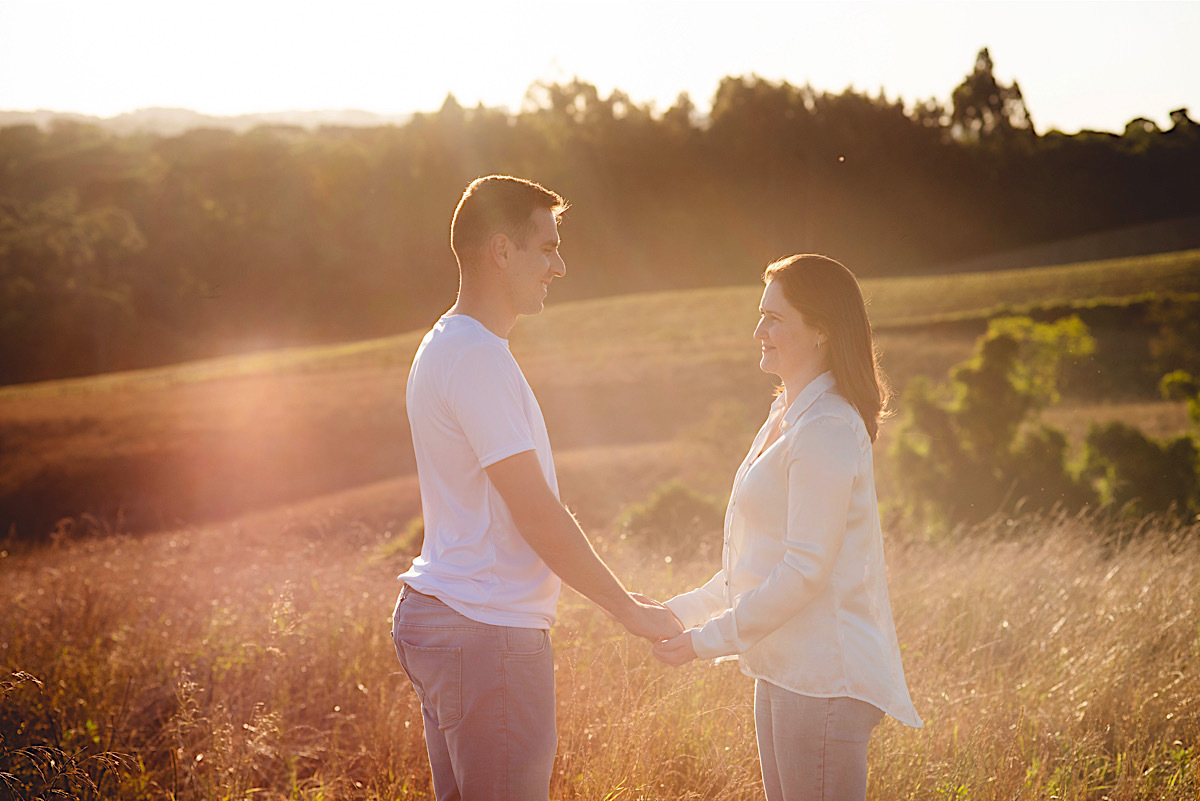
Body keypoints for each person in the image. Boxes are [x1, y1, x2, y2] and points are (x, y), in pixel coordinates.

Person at [392, 174, 682, 801]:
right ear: (501, 251)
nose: (560, 265)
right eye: (547, 247)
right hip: (486, 631)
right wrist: (627, 608)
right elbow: (536, 513)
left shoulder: (449, 343)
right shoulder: (476, 356)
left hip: (452, 618)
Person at [652, 254, 923, 801]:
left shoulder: (825, 427)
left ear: (821, 329)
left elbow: (803, 571)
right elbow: (753, 561)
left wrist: (706, 642)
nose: (758, 331)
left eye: (774, 318)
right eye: (760, 316)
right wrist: (678, 613)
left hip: (824, 679)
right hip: (782, 669)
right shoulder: (787, 414)